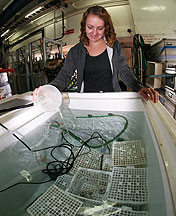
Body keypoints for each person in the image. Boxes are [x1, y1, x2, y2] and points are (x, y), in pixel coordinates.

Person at [33, 5, 158, 103]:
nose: (94, 33)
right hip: (87, 100)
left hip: (112, 99)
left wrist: (139, 87)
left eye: (100, 28)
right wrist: (49, 89)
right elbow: (64, 76)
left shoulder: (114, 46)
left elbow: (124, 71)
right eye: (90, 27)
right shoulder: (76, 52)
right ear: (84, 26)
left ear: (106, 28)